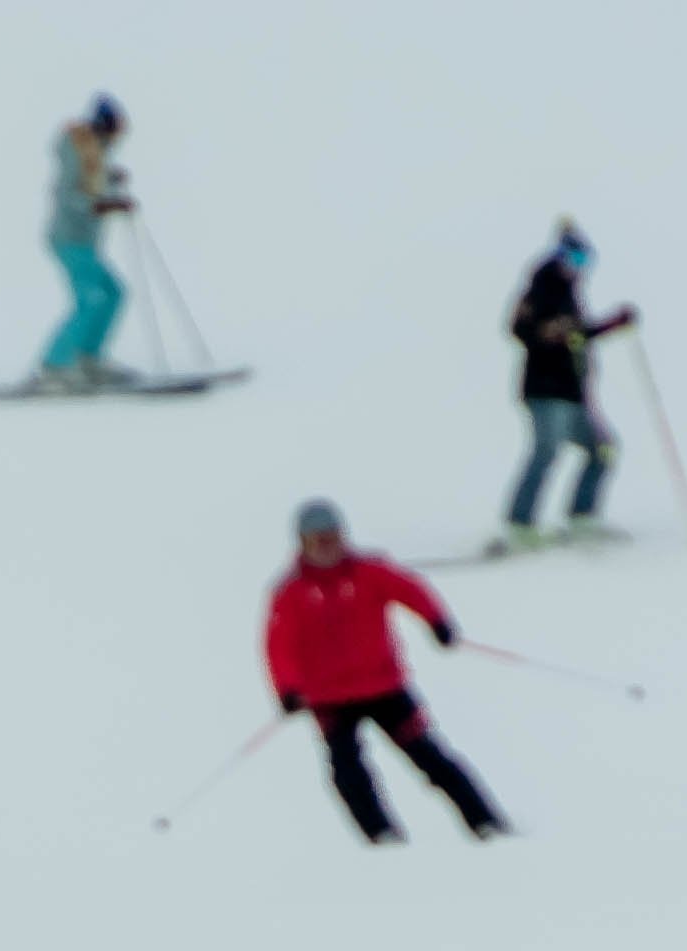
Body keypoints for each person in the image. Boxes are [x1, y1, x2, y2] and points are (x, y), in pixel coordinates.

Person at [261, 499, 506, 844]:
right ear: (302, 543)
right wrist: (287, 689)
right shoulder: (290, 592)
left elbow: (410, 589)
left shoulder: (369, 571)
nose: (328, 547)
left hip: (385, 688)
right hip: (329, 699)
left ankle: (486, 823)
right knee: (348, 771)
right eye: (319, 540)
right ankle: (381, 835)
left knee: (429, 756)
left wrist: (437, 622)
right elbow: (278, 646)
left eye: (333, 537)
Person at [505, 219, 638, 542]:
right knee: (547, 451)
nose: (579, 268)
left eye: (585, 262)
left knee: (603, 449)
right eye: (575, 259)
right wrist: (549, 332)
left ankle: (581, 517)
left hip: (573, 393)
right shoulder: (541, 287)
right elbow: (520, 329)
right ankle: (520, 524)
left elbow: (579, 334)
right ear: (559, 256)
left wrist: (612, 324)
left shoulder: (568, 295)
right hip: (546, 391)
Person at [38, 96, 136, 388]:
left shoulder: (96, 152)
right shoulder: (77, 148)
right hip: (69, 238)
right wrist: (100, 206)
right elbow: (68, 192)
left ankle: (87, 359)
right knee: (90, 300)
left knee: (114, 293)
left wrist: (113, 183)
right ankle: (54, 366)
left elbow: (95, 183)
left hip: (85, 241)